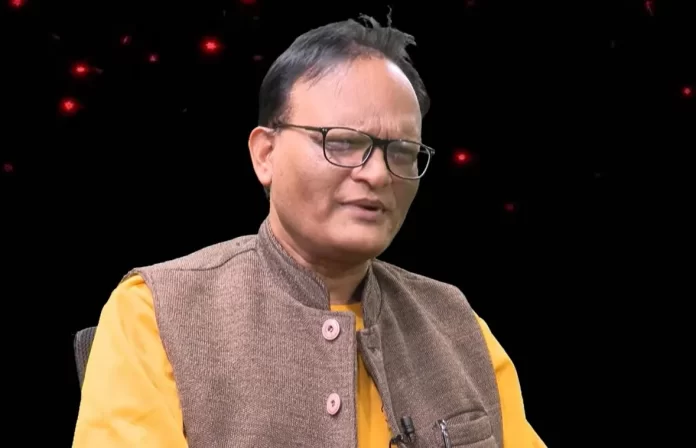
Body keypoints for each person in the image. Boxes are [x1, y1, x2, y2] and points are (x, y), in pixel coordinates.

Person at [73, 15, 545, 448]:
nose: (378, 174)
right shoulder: (154, 313)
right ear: (266, 154)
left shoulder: (456, 324)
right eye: (344, 142)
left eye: (402, 152)